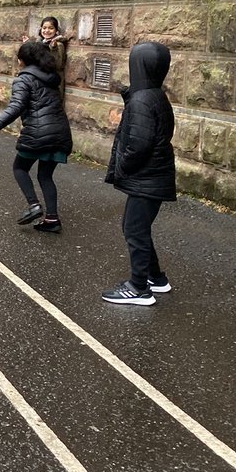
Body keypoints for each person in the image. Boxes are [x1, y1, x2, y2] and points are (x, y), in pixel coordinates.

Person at [102, 42, 177, 306]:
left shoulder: (142, 100)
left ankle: (138, 288)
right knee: (138, 227)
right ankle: (156, 278)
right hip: (155, 174)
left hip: (148, 177)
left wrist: (122, 166)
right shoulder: (155, 94)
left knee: (133, 229)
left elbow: (138, 144)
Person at [0, 40, 73, 232]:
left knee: (19, 168)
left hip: (38, 133)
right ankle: (52, 220)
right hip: (60, 132)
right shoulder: (51, 77)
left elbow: (16, 106)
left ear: (23, 60)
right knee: (45, 175)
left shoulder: (24, 79)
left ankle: (34, 205)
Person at [24, 15, 72, 99]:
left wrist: (53, 49)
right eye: (44, 28)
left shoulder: (58, 45)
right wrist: (28, 45)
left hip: (52, 83)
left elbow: (58, 65)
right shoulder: (40, 43)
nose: (47, 31)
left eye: (51, 28)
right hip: (39, 82)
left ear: (56, 30)